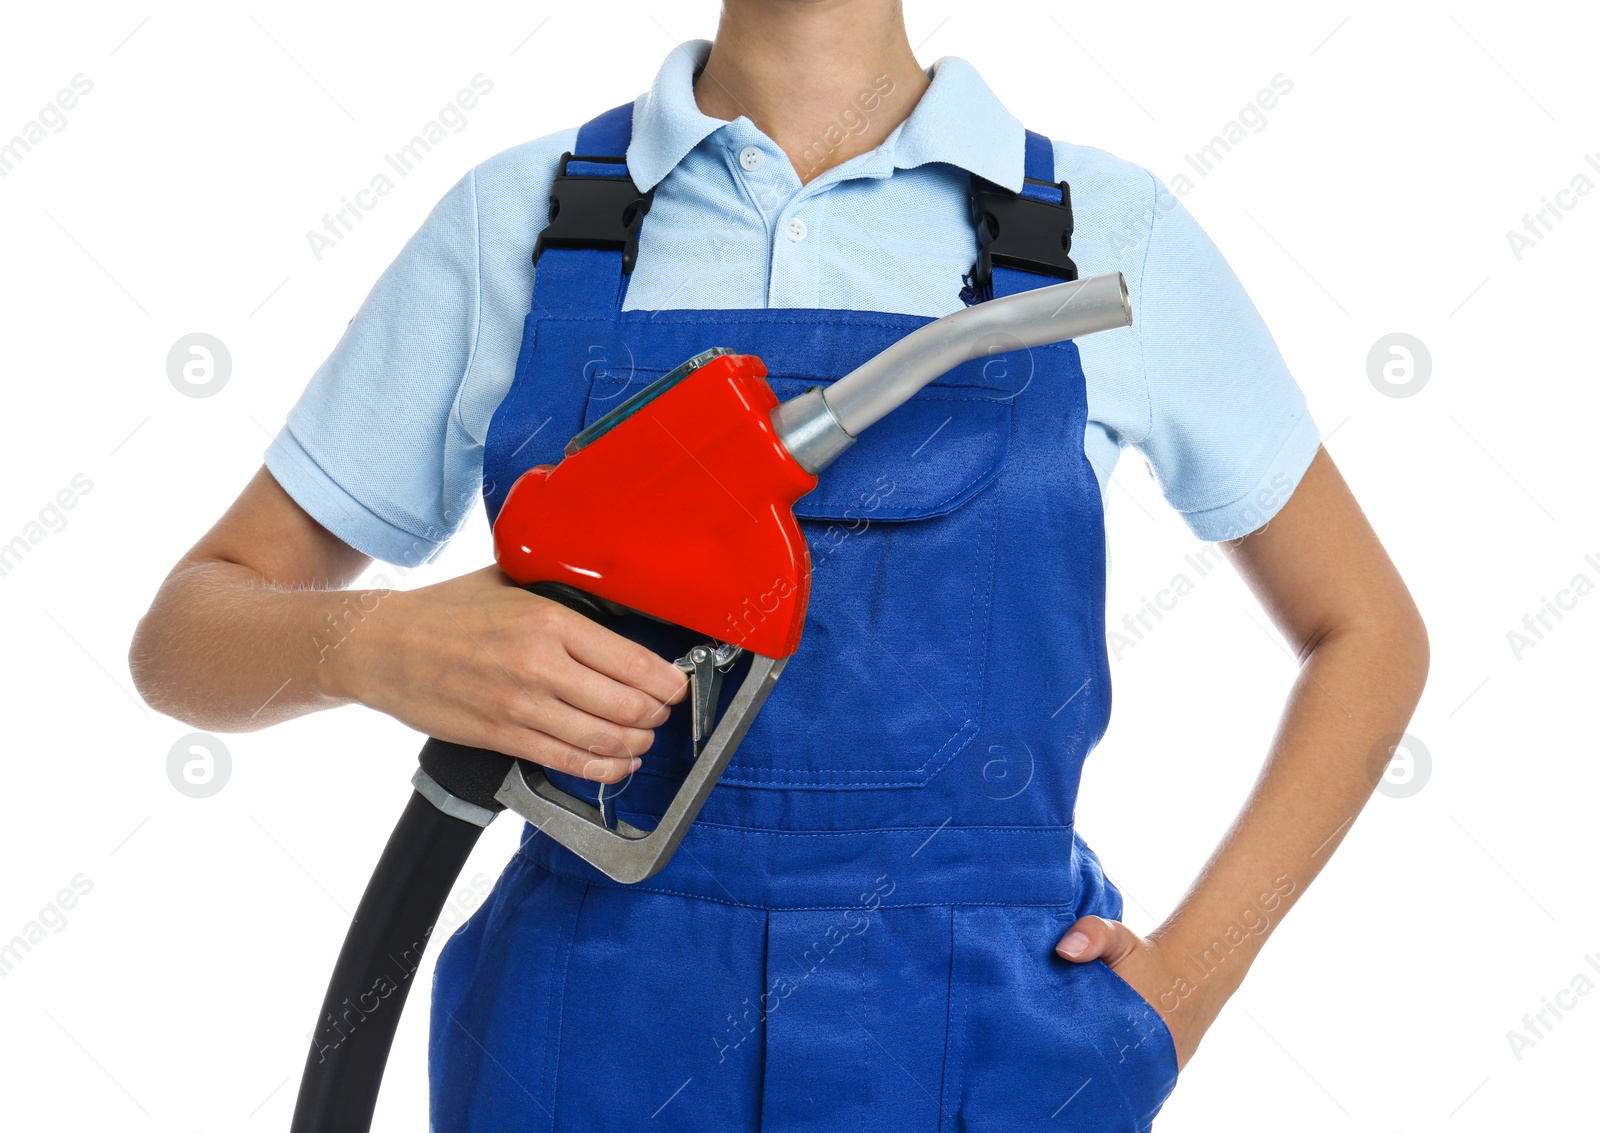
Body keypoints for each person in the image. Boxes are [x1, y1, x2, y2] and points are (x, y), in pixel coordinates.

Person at [129, 2, 1429, 1129]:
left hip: (982, 1051)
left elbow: (1370, 632)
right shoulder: (519, 223)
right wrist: (374, 645)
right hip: (581, 1034)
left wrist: (1179, 997)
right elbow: (185, 636)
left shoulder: (1105, 227)